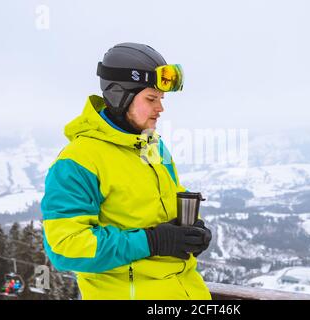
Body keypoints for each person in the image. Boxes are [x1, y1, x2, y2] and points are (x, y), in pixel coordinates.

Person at [41, 43, 212, 300]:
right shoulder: (78, 161)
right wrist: (153, 242)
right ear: (119, 96)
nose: (160, 109)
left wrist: (190, 232)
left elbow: (165, 198)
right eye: (151, 99)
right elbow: (65, 247)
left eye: (161, 99)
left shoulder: (152, 145)